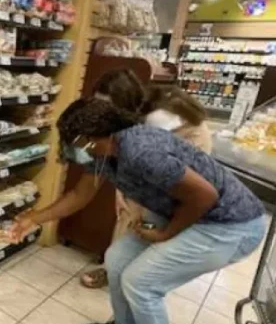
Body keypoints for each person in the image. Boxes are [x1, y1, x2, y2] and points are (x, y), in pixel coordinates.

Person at [16, 98, 266, 324]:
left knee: (141, 281)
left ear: (96, 136)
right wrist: (34, 218)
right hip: (186, 212)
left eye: (77, 142)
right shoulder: (101, 152)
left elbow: (204, 196)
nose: (74, 149)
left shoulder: (141, 151)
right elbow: (80, 195)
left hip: (228, 224)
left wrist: (166, 234)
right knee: (117, 259)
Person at [80, 69, 213, 289]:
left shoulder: (157, 118)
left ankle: (135, 274)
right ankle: (112, 268)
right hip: (156, 153)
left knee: (152, 215)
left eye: (107, 106)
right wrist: (121, 192)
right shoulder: (129, 115)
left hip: (184, 151)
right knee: (127, 212)